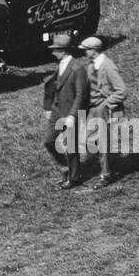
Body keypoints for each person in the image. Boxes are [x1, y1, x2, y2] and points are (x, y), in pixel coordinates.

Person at [42, 34, 90, 189]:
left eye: (55, 49)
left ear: (63, 51)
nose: (52, 52)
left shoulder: (78, 68)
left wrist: (72, 115)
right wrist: (48, 107)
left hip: (70, 113)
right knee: (49, 141)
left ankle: (74, 178)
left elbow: (81, 94)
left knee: (71, 146)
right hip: (57, 111)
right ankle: (66, 169)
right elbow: (52, 85)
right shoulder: (60, 64)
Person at [80, 36, 126, 187]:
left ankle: (106, 174)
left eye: (85, 50)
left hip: (104, 109)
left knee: (102, 141)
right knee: (86, 140)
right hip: (92, 109)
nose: (84, 53)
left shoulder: (108, 66)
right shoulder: (91, 66)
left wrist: (106, 104)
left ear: (93, 51)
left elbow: (122, 91)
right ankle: (109, 162)